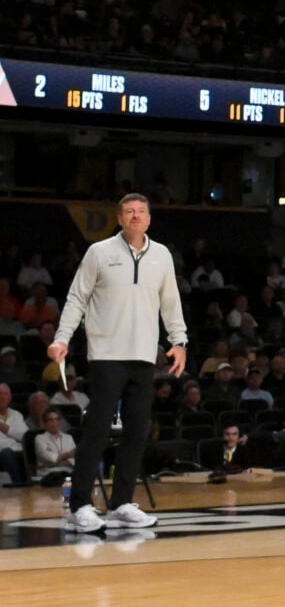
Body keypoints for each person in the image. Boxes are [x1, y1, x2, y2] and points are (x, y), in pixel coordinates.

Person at [51, 194, 188, 531]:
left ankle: (121, 504)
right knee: (96, 432)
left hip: (144, 357)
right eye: (129, 211)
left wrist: (179, 341)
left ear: (149, 218)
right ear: (119, 217)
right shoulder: (99, 252)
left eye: (141, 211)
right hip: (106, 356)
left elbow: (171, 301)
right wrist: (62, 337)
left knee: (136, 433)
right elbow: (76, 297)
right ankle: (80, 506)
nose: (135, 216)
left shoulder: (161, 255)